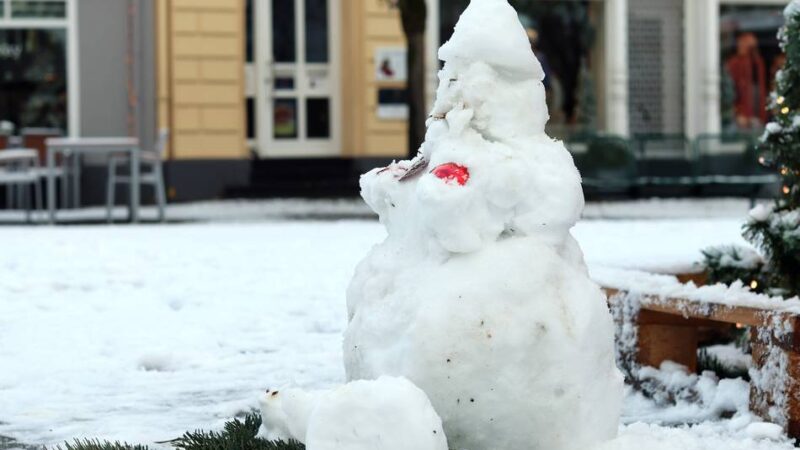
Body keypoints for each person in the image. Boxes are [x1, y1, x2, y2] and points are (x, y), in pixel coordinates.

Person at [725, 32, 767, 130]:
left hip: (757, 110)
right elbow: (732, 90)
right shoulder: (734, 63)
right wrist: (738, 112)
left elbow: (762, 88)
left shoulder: (758, 62)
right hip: (742, 113)